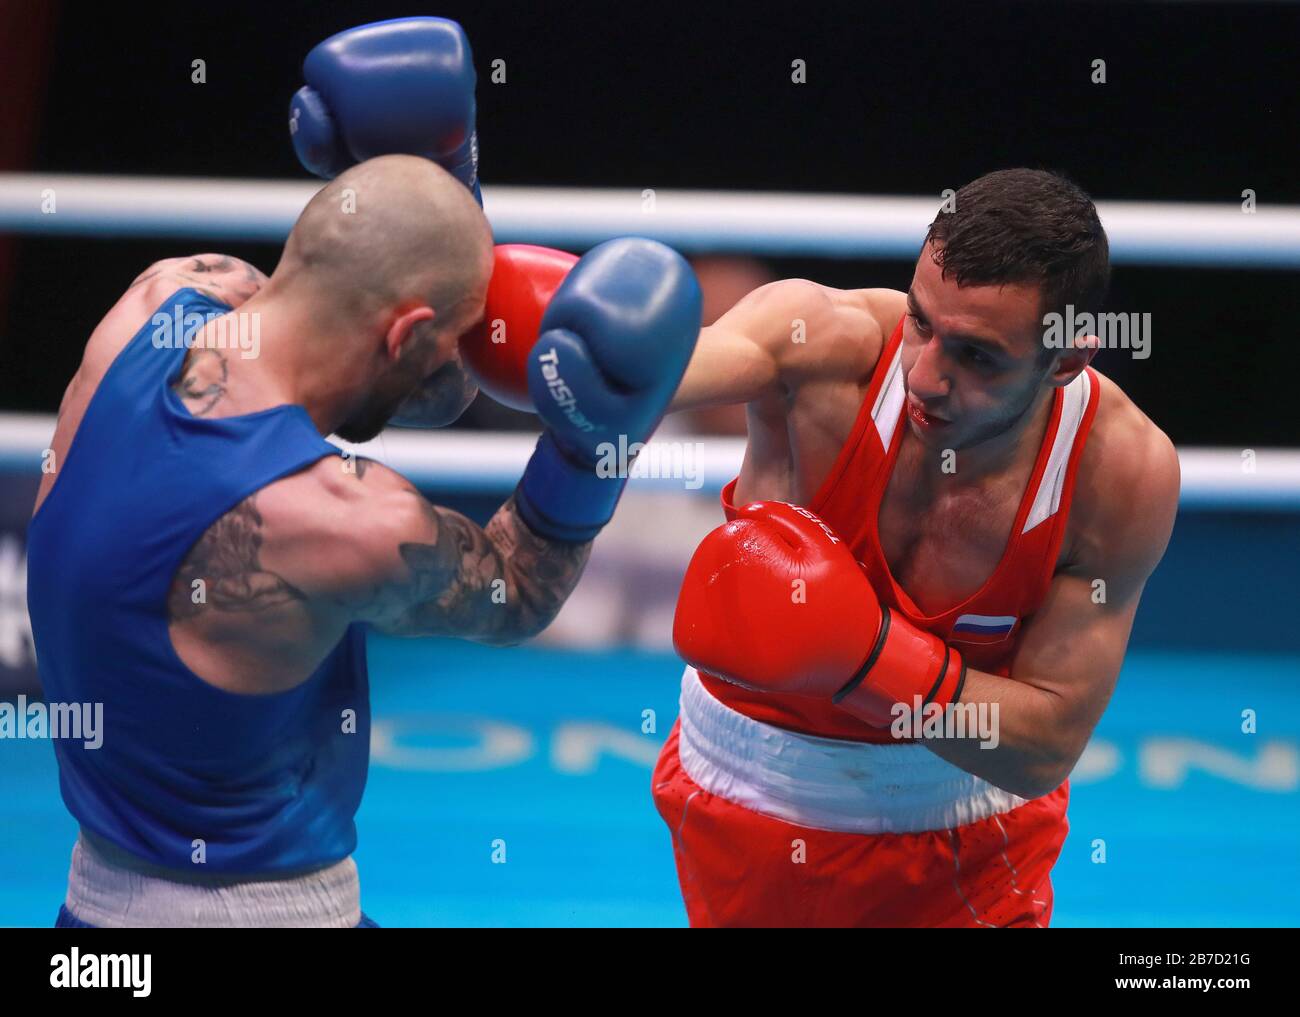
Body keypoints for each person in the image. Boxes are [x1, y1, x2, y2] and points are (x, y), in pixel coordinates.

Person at [27, 16, 700, 928]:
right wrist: (593, 439)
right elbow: (517, 587)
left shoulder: (156, 302)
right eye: (448, 338)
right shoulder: (341, 521)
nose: (460, 369)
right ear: (404, 334)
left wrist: (440, 197)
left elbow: (350, 292)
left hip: (94, 916)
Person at [654, 167, 1180, 927]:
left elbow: (1045, 745)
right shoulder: (824, 348)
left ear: (1065, 360)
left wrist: (869, 657)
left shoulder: (1118, 472)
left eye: (978, 357)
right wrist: (595, 363)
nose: (925, 375)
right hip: (749, 796)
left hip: (968, 832)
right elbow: (678, 369)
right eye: (922, 322)